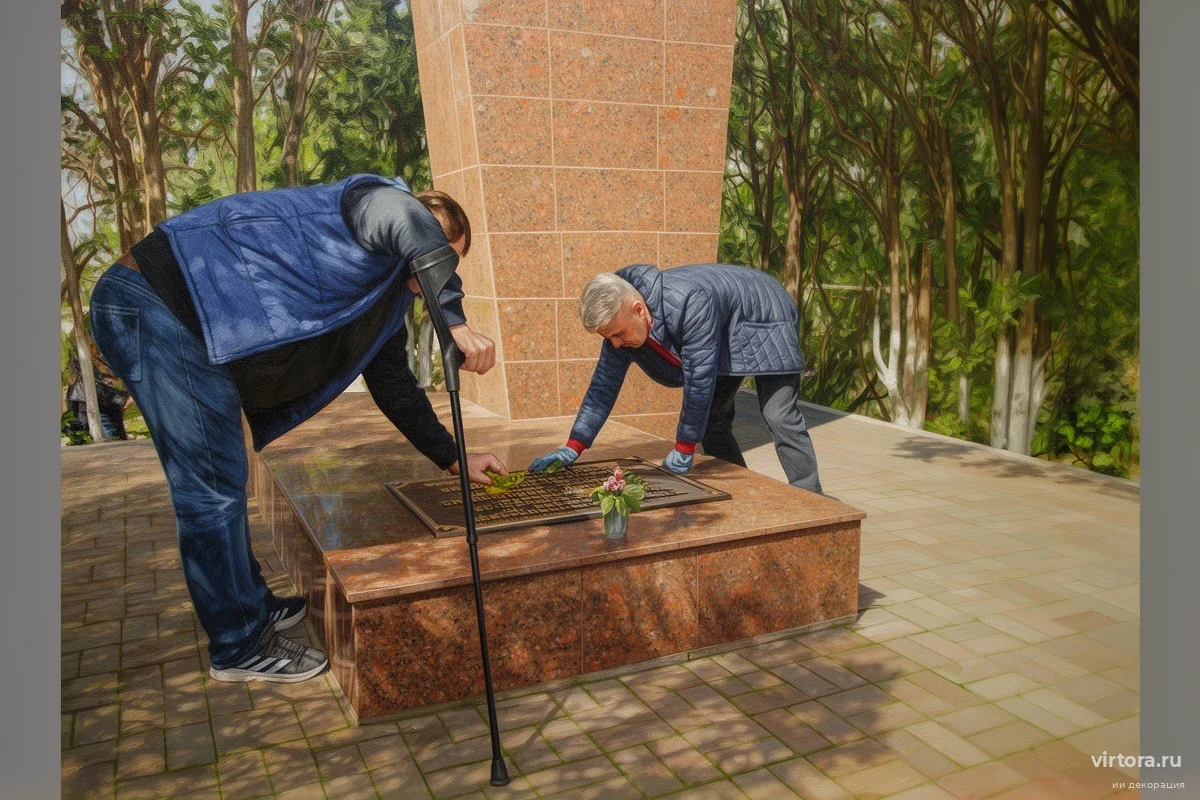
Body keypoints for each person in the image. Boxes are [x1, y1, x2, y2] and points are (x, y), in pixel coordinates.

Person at [90, 175, 508, 684]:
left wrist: (453, 456)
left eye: (449, 262)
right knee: (210, 491)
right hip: (157, 304)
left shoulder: (382, 297)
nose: (431, 272)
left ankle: (251, 605)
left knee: (226, 477)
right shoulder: (372, 205)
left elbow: (395, 387)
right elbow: (403, 216)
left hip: (184, 320)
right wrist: (454, 319)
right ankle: (237, 645)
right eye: (435, 252)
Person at [529, 265, 823, 495]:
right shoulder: (622, 325)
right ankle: (742, 487)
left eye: (618, 334)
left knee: (779, 415)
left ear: (639, 310)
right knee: (712, 422)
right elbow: (602, 388)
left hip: (766, 313)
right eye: (608, 337)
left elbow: (700, 378)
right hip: (728, 322)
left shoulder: (689, 301)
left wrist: (684, 447)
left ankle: (812, 498)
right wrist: (574, 445)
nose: (615, 344)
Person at [65, 352, 132, 441]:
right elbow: (125, 401)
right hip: (106, 432)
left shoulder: (73, 389)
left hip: (84, 434)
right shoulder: (93, 385)